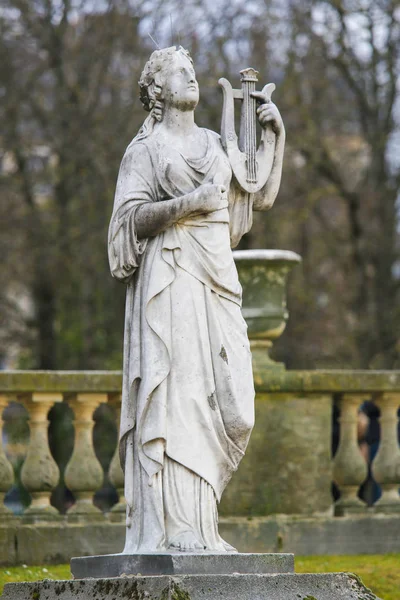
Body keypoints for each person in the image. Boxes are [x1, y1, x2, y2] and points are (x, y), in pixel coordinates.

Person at [108, 46, 285, 553]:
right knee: (180, 397)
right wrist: (189, 204)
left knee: (234, 409)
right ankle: (181, 529)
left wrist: (277, 137)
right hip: (171, 277)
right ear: (158, 90)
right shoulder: (145, 150)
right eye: (178, 72)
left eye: (192, 70)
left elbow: (257, 196)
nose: (191, 77)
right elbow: (127, 223)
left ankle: (201, 524)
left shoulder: (214, 142)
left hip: (217, 278)